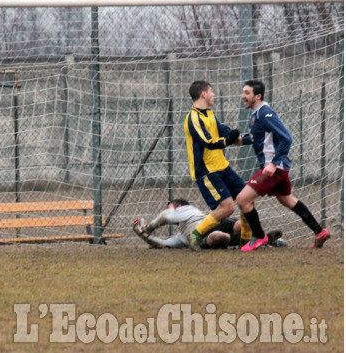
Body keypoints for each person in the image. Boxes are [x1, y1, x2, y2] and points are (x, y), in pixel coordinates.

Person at [235, 80, 330, 251]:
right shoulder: (256, 114)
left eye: (247, 93)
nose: (243, 96)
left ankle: (259, 236)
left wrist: (273, 163)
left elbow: (286, 137)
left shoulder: (265, 113)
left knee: (243, 199)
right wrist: (241, 141)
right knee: (287, 200)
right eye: (243, 92)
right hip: (278, 168)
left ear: (258, 96)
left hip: (274, 169)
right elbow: (259, 137)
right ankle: (319, 231)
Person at [183, 80, 263, 250]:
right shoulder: (193, 118)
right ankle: (196, 235)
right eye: (211, 91)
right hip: (207, 171)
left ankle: (245, 240)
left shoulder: (209, 114)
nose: (214, 95)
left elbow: (222, 129)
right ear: (203, 94)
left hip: (222, 166)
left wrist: (235, 136)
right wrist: (227, 140)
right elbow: (208, 141)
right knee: (228, 208)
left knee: (246, 198)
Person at [132, 199, 285, 250]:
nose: (166, 210)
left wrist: (148, 227)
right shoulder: (181, 234)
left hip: (210, 223)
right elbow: (164, 243)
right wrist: (144, 236)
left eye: (170, 206)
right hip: (207, 235)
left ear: (179, 206)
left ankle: (262, 238)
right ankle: (265, 240)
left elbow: (166, 216)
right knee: (219, 237)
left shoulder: (188, 210)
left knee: (239, 225)